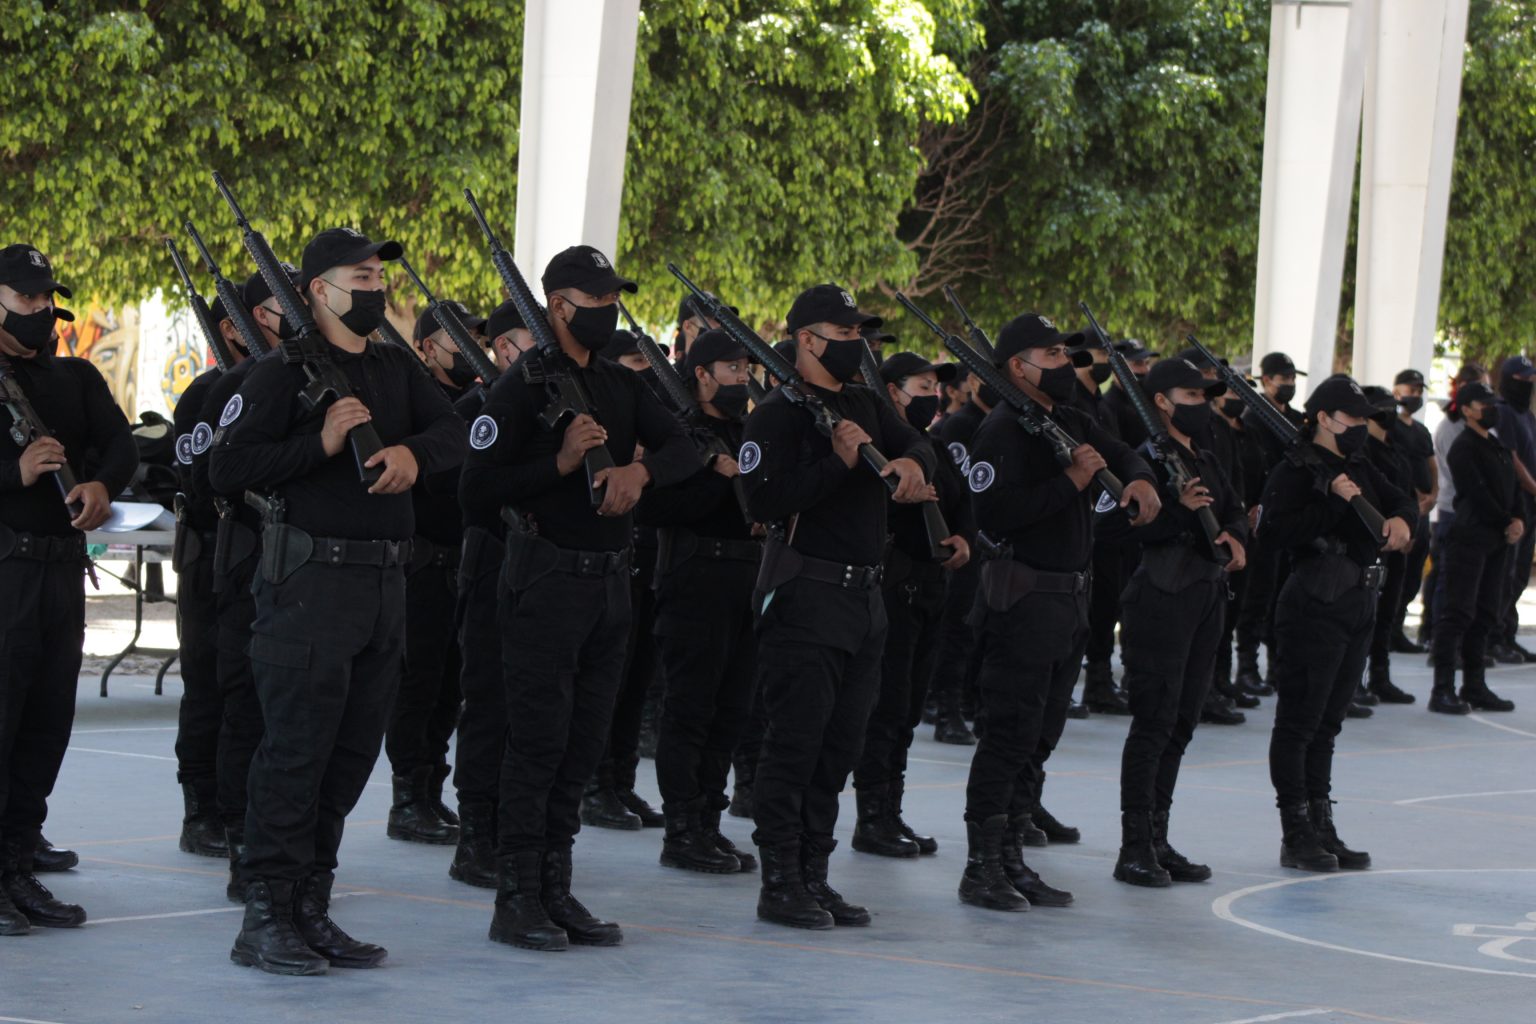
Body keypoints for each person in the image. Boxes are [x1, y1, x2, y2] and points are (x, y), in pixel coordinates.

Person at [211, 228, 467, 974]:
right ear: (318, 291)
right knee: (296, 752)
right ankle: (266, 914)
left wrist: (413, 453)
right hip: (309, 587)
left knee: (350, 756)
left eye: (379, 276)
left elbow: (454, 430)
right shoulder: (278, 374)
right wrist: (319, 445)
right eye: (361, 277)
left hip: (383, 586)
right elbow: (226, 469)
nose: (376, 288)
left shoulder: (393, 365)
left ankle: (310, 907)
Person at [459, 245, 697, 952]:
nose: (609, 311)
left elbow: (685, 444)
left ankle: (555, 887)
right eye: (597, 301)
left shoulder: (620, 385)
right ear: (558, 306)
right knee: (537, 744)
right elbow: (474, 491)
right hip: (545, 584)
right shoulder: (522, 387)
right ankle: (516, 897)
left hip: (609, 586)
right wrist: (558, 464)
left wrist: (639, 474)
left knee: (581, 745)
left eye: (613, 299)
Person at [738, 283, 937, 929]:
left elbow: (917, 442)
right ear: (806, 339)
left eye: (858, 334)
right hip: (806, 595)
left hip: (863, 598)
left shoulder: (862, 401)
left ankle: (814, 874)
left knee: (838, 748)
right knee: (795, 744)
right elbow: (761, 501)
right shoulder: (776, 414)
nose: (857, 344)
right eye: (844, 334)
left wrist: (912, 463)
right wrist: (836, 462)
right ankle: (780, 880)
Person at [958, 312, 1160, 913]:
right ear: (1017, 368)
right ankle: (981, 866)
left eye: (1065, 354)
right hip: (1022, 600)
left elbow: (1121, 452)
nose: (1065, 364)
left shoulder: (1068, 418)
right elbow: (993, 513)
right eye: (1051, 355)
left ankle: (1012, 857)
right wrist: (1073, 480)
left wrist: (1139, 479)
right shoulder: (1001, 430)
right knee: (1007, 736)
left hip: (1067, 601)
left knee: (1038, 738)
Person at [0, 244, 136, 935]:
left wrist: (102, 484)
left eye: (45, 298)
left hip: (60, 568)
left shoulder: (75, 376)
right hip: (7, 570)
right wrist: (15, 472)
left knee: (46, 723)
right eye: (25, 298)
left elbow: (122, 444)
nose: (39, 309)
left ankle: (17, 863)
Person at [1100, 357, 1246, 887]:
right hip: (1160, 599)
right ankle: (1135, 845)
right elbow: (1112, 530)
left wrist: (1235, 537)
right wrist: (1179, 512)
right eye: (1192, 396)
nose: (1203, 404)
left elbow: (1233, 507)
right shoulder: (1144, 462)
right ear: (1161, 402)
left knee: (1182, 722)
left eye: (1204, 396)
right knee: (1154, 723)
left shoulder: (1203, 455)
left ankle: (1159, 838)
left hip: (1205, 596)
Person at [1259, 375, 1414, 873]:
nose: (1361, 428)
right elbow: (1275, 533)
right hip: (1314, 603)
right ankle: (1296, 830)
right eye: (1353, 419)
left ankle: (1321, 823)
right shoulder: (1294, 471)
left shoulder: (1358, 463)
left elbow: (1400, 498)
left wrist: (1403, 521)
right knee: (1299, 722)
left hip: (1358, 602)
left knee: (1328, 723)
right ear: (1323, 419)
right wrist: (1332, 501)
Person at [636, 328, 761, 874]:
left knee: (732, 711)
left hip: (747, 580)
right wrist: (712, 477)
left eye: (745, 369)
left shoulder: (750, 432)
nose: (742, 379)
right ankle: (682, 828)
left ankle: (709, 820)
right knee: (690, 709)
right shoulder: (677, 435)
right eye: (732, 369)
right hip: (694, 581)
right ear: (702, 375)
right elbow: (652, 510)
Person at [190, 265, 296, 903]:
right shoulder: (229, 388)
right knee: (239, 703)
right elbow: (206, 478)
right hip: (244, 560)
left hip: (307, 571)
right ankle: (233, 834)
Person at [851, 351, 972, 859]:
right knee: (886, 706)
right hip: (892, 589)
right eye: (921, 388)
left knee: (907, 711)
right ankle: (871, 817)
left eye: (934, 388)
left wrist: (963, 538)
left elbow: (962, 503)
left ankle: (891, 809)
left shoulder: (933, 446)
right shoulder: (876, 449)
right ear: (892, 392)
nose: (932, 397)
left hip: (931, 589)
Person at [382, 302, 488, 846]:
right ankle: (407, 798)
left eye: (476, 339)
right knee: (417, 684)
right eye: (458, 339)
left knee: (450, 687)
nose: (472, 348)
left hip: (462, 563)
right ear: (425, 348)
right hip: (422, 564)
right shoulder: (417, 403)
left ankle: (430, 790)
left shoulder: (481, 403)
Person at [170, 296, 248, 861]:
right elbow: (202, 483)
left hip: (261, 559)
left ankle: (241, 807)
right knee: (208, 686)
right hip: (211, 557)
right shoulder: (207, 393)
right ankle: (201, 810)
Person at [1431, 382, 1522, 714]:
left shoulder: (1495, 444)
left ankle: (1474, 685)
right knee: (1458, 612)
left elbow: (1512, 486)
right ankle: (1442, 689)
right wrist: (1506, 520)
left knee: (1486, 613)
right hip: (1469, 538)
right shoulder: (1463, 447)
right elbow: (1477, 492)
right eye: (1484, 404)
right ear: (1467, 409)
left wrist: (1518, 518)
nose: (1491, 409)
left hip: (1497, 540)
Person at [1235, 351, 1306, 697]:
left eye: (1292, 379)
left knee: (1283, 596)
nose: (1289, 384)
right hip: (1262, 518)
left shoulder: (1296, 419)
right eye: (1284, 378)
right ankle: (1247, 667)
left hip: (1289, 518)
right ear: (1266, 381)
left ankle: (1278, 666)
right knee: (1256, 596)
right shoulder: (1254, 417)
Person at [1360, 386, 1420, 705]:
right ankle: (1354, 679)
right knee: (1364, 614)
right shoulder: (1362, 452)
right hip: (1373, 543)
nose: (1390, 415)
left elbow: (1407, 495)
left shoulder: (1396, 448)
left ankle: (1380, 676)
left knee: (1388, 612)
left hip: (1398, 543)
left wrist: (1408, 529)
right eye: (1383, 409)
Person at [1386, 369, 1436, 657]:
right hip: (1405, 510)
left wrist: (1434, 494)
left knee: (1414, 574)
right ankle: (1387, 630)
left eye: (1419, 391)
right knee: (1397, 573)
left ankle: (1398, 627)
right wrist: (1414, 499)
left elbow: (1431, 464)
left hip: (1423, 512)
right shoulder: (1392, 427)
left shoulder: (1420, 430)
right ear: (1397, 392)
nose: (1415, 396)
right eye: (1410, 390)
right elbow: (1399, 470)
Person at [1491, 356, 1536, 663]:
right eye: (1523, 380)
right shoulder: (1503, 412)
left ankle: (1507, 633)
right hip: (1515, 503)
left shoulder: (1527, 415)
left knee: (1519, 574)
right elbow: (1512, 457)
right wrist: (1532, 487)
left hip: (1530, 505)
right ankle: (1493, 637)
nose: (1528, 385)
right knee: (1506, 575)